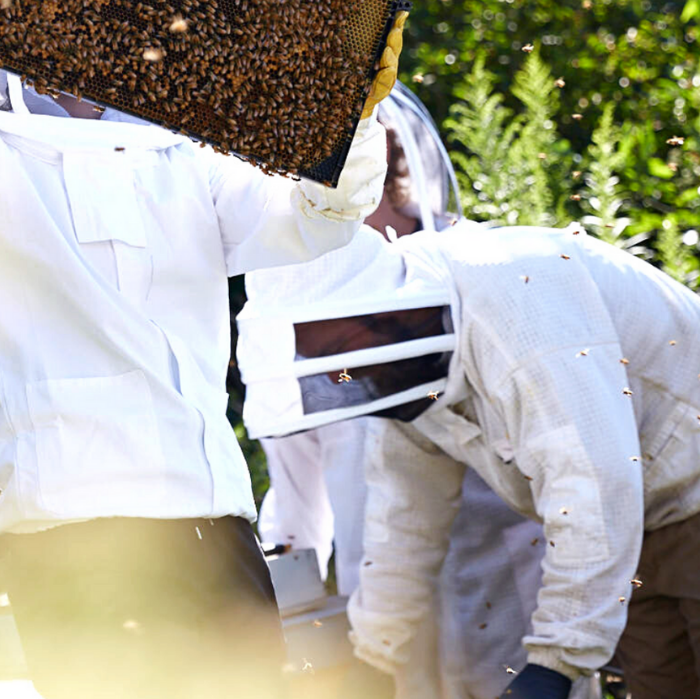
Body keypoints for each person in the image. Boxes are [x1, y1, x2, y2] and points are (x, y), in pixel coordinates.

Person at [0, 0, 403, 699]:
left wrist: (344, 117)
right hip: (66, 533)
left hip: (212, 518)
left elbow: (316, 221)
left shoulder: (188, 156)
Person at [238, 214, 700, 699]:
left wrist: (553, 664)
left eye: (337, 350)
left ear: (373, 309)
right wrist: (373, 655)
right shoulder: (409, 364)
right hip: (639, 530)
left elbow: (590, 483)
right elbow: (404, 517)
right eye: (322, 362)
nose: (339, 379)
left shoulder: (517, 299)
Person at [243, 86, 597, 699]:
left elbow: (571, 458)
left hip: (507, 588)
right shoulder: (306, 313)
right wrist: (286, 595)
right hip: (379, 606)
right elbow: (298, 489)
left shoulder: (478, 270)